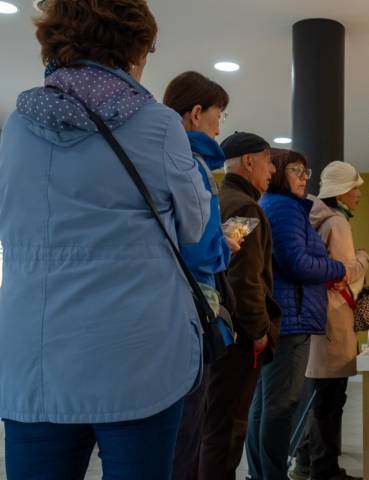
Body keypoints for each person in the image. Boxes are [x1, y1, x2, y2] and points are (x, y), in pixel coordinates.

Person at [0, 1, 209, 479]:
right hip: (136, 358)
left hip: (35, 360)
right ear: (133, 48)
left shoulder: (16, 129)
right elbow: (195, 228)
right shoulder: (158, 126)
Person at [247, 150, 347, 480]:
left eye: (307, 170)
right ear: (276, 172)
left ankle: (262, 473)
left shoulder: (278, 206)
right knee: (280, 407)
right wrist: (338, 267)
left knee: (265, 405)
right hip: (291, 318)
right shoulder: (286, 208)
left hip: (285, 315)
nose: (305, 177)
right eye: (297, 170)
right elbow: (296, 262)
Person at [163, 71, 236, 480]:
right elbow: (202, 250)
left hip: (156, 314)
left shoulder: (154, 155)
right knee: (185, 438)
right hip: (188, 317)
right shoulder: (192, 167)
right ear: (195, 114)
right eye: (218, 114)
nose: (219, 125)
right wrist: (224, 245)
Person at [198, 131, 282, 480]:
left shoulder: (220, 197)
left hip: (218, 329)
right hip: (238, 339)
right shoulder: (245, 207)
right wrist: (257, 330)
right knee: (227, 431)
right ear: (249, 161)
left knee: (213, 426)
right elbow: (244, 276)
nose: (272, 171)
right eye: (268, 161)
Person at [290, 161, 369, 480]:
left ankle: (305, 461)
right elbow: (343, 272)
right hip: (334, 316)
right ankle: (325, 470)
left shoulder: (316, 217)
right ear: (342, 192)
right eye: (355, 187)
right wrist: (364, 259)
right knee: (330, 398)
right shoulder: (338, 224)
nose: (359, 194)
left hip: (317, 313)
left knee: (319, 394)